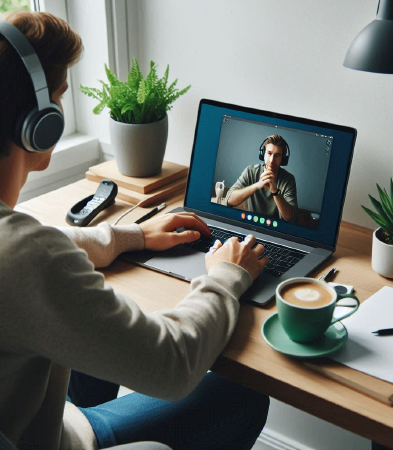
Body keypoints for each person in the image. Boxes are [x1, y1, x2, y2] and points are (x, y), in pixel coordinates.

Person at [0, 10, 270, 450]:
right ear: (39, 121)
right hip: (53, 439)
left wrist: (133, 237)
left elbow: (31, 256)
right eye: (61, 95)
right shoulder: (27, 256)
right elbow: (173, 363)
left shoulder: (20, 249)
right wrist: (225, 277)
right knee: (242, 391)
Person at [226, 134, 298, 223]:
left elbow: (291, 217)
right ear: (263, 153)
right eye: (269, 153)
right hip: (252, 224)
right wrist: (257, 185)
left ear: (283, 159)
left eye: (277, 155)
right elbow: (229, 200)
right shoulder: (250, 171)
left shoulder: (289, 179)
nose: (272, 160)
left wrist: (275, 192)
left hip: (276, 229)